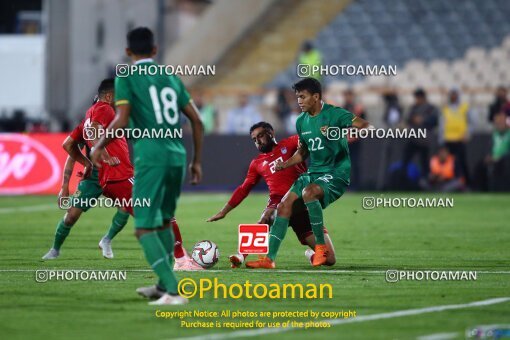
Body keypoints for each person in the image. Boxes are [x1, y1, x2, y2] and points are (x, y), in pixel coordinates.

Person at [91, 27, 204, 305]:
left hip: (151, 158)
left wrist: (99, 144)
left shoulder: (126, 77)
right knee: (164, 222)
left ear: (128, 53)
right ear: (155, 50)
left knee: (143, 227)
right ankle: (162, 286)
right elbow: (197, 121)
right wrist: (197, 161)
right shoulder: (171, 77)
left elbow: (122, 117)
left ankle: (173, 289)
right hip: (177, 156)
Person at [246, 78, 369, 269]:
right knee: (284, 206)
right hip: (314, 172)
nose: (299, 101)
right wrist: (284, 164)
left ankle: (321, 248)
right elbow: (303, 152)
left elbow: (364, 126)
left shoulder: (335, 114)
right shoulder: (301, 121)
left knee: (309, 192)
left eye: (302, 97)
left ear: (316, 97)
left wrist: (338, 133)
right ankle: (268, 259)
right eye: (297, 97)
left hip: (336, 173)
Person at [207, 122, 336, 267]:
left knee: (330, 259)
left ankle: (311, 254)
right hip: (277, 201)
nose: (258, 141)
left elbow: (308, 138)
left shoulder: (290, 143)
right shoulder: (256, 163)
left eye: (260, 136)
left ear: (271, 133)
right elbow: (244, 189)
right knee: (267, 217)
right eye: (254, 139)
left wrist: (322, 129)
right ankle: (240, 255)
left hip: (302, 204)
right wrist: (223, 212)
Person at [42, 81, 130, 260]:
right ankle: (55, 249)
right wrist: (66, 185)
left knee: (127, 205)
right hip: (101, 175)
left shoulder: (99, 120)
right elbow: (71, 152)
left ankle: (106, 239)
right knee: (72, 216)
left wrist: (81, 169)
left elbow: (68, 147)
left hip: (111, 172)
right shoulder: (101, 114)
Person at [439, 88, 475, 185]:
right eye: (452, 94)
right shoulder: (445, 108)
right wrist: (441, 139)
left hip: (460, 139)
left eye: (455, 94)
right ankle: (451, 182)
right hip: (448, 139)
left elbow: (472, 122)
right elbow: (442, 124)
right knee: (449, 163)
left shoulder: (464, 107)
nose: (453, 97)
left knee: (461, 162)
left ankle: (466, 183)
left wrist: (468, 133)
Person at [402, 88, 439, 181]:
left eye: (418, 98)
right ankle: (403, 180)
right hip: (414, 138)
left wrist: (423, 120)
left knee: (425, 163)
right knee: (405, 160)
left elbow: (434, 121)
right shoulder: (413, 108)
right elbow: (408, 120)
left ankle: (425, 183)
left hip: (425, 140)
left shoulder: (431, 108)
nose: (416, 100)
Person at [343, 89, 367, 190]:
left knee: (355, 163)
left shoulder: (357, 109)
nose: (348, 98)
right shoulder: (342, 108)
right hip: (344, 140)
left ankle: (356, 185)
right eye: (346, 95)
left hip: (355, 140)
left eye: (349, 95)